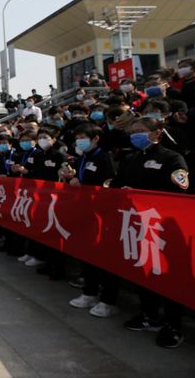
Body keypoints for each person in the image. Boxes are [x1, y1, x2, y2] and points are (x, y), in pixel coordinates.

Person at [110, 117, 189, 348]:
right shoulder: (129, 159)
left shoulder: (172, 158)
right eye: (133, 131)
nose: (135, 135)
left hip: (164, 227)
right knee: (144, 271)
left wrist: (141, 193)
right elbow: (115, 184)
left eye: (141, 131)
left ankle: (173, 325)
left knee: (169, 277)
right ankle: (149, 315)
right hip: (136, 225)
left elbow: (180, 190)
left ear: (157, 133)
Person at [60, 123, 120, 318]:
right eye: (77, 138)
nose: (79, 141)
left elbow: (109, 185)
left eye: (83, 137)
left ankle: (108, 300)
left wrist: (84, 184)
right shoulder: (82, 158)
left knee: (105, 258)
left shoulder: (104, 157)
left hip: (103, 215)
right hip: (85, 213)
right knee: (86, 255)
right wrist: (71, 178)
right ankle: (89, 292)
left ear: (95, 138)